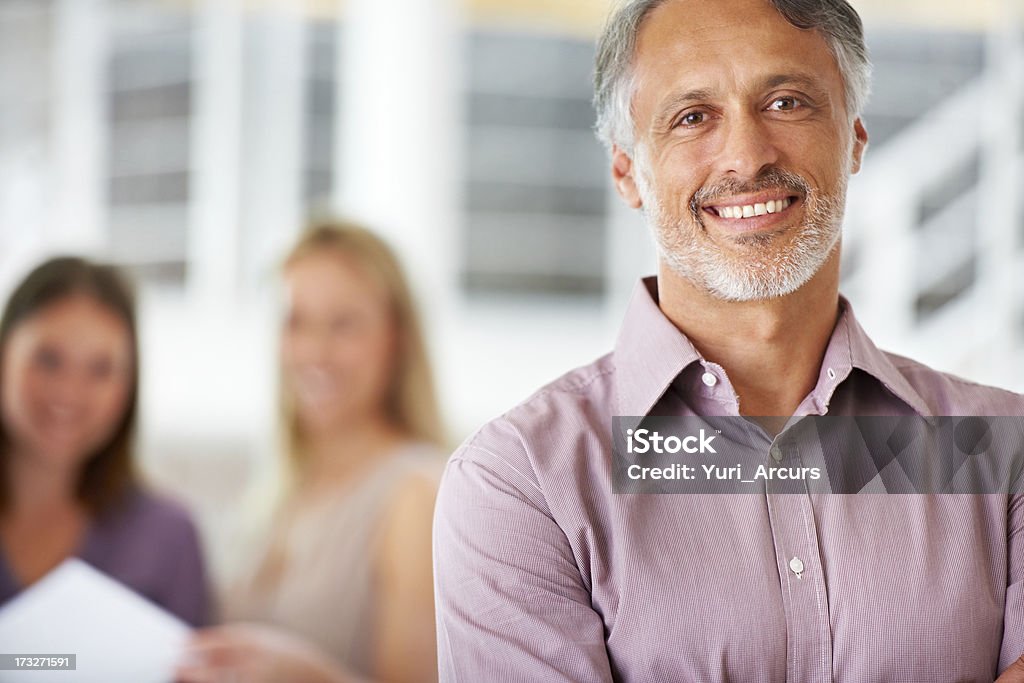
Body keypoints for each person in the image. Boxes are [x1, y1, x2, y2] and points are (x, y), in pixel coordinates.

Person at [433, 0, 1024, 681]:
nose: (747, 154)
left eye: (787, 102)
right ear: (627, 172)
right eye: (692, 117)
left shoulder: (1002, 452)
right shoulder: (525, 484)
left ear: (854, 138)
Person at [179, 221, 445, 683]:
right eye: (296, 321)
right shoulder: (282, 488)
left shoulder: (414, 494)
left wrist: (309, 677)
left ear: (396, 338)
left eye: (343, 325)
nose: (314, 351)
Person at [0, 256, 209, 626]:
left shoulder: (169, 537)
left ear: (128, 385)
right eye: (48, 360)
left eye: (101, 369)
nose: (69, 393)